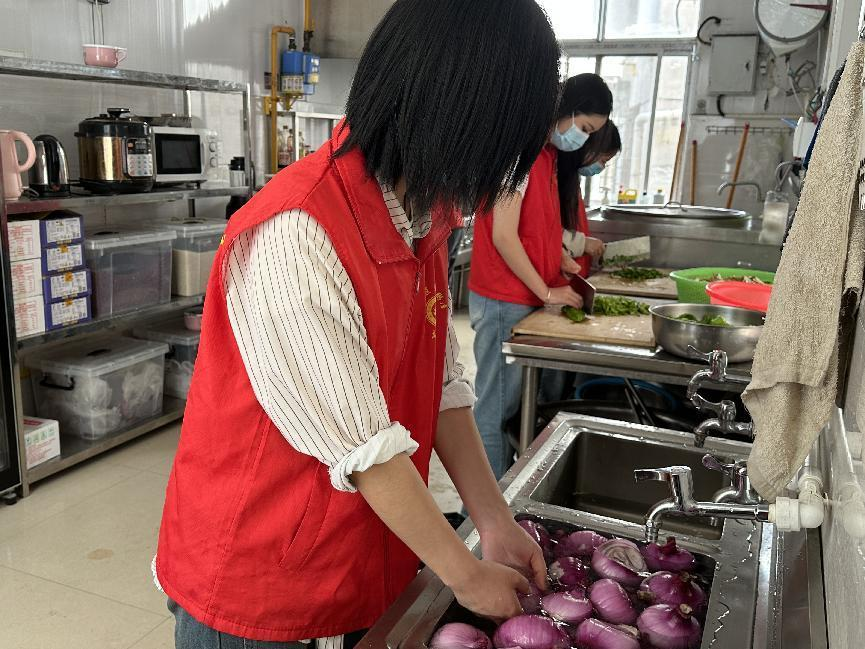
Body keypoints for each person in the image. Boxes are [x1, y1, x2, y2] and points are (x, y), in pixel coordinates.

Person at [153, 2, 562, 648]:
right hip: (258, 573)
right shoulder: (298, 230)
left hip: (349, 553)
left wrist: (494, 520)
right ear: (455, 116)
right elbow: (364, 449)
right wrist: (462, 574)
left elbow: (440, 387)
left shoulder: (423, 216)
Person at [468, 73, 614, 479]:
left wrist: (559, 259)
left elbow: (538, 226)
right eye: (585, 128)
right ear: (567, 110)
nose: (583, 139)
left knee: (510, 406)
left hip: (521, 296)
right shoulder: (518, 153)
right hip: (503, 298)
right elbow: (503, 234)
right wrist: (547, 292)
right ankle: (482, 509)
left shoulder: (545, 155)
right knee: (494, 409)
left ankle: (496, 498)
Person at [562, 120, 623, 274]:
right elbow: (540, 231)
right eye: (603, 161)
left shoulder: (572, 180)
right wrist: (581, 243)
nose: (602, 167)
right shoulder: (554, 175)